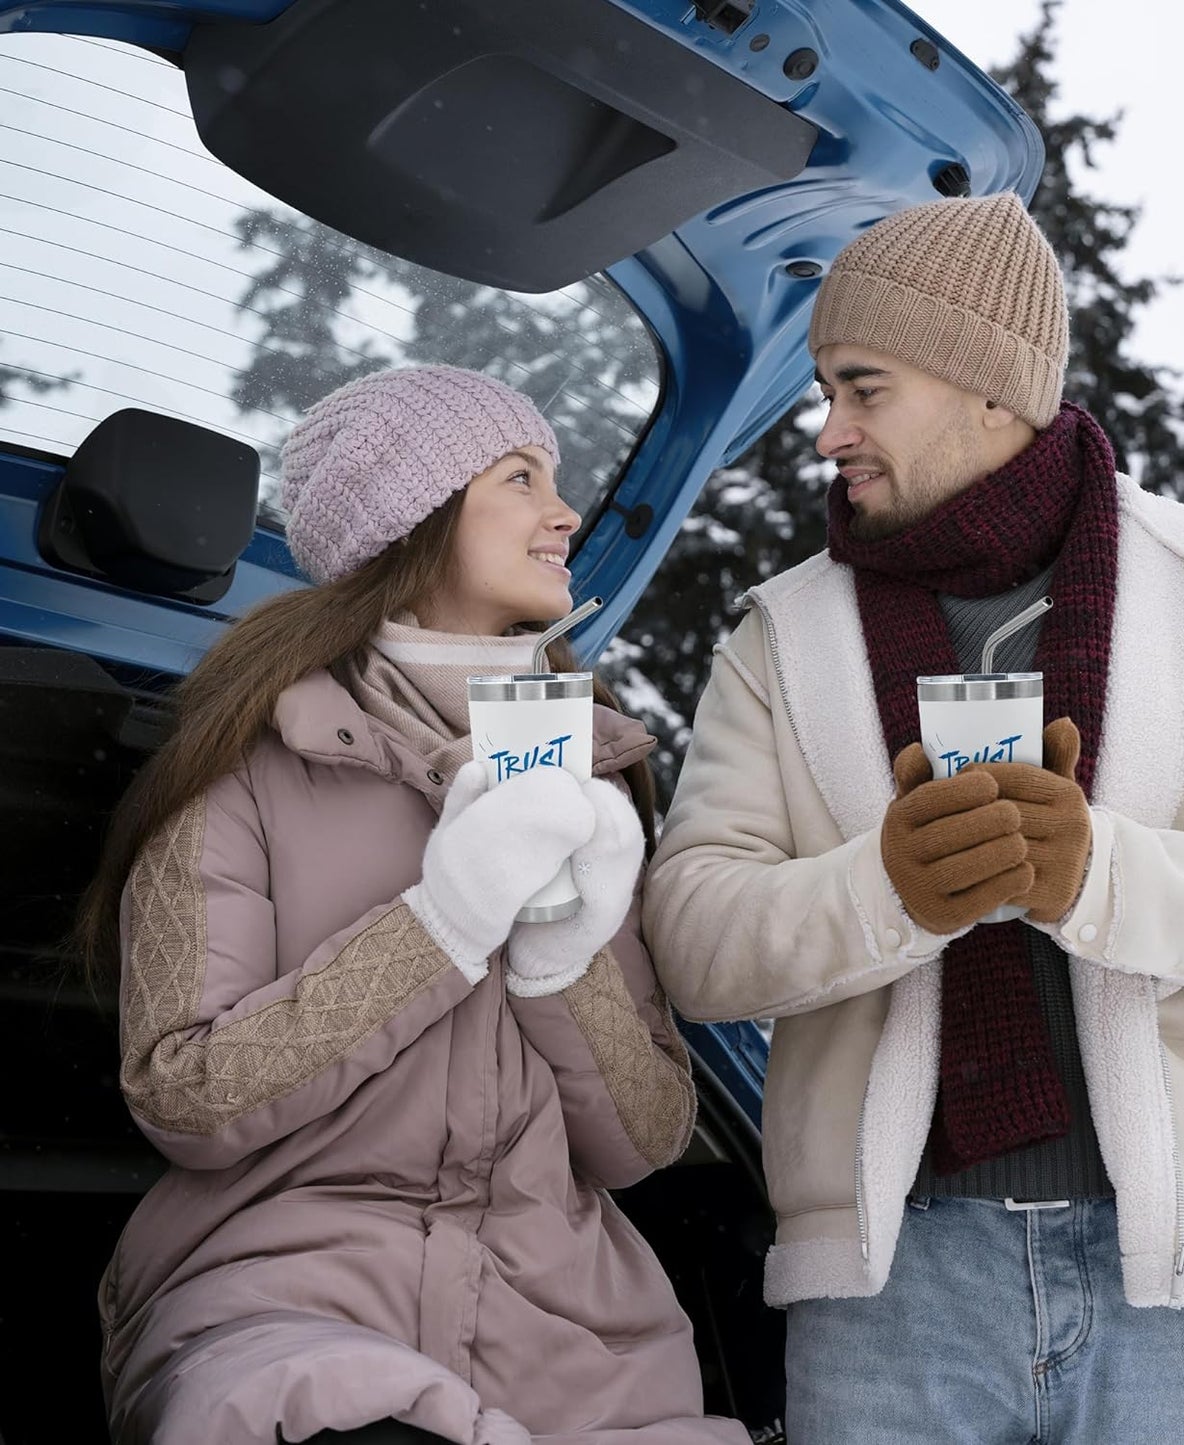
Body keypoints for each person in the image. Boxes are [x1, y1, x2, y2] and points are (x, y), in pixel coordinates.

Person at [641, 194, 1184, 1444]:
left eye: (861, 387)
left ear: (986, 387)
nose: (828, 431)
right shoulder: (783, 632)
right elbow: (693, 939)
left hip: (1178, 1290)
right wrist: (889, 889)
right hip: (888, 1290)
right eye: (826, 389)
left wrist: (1089, 867)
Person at [76, 364, 749, 1445]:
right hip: (285, 1298)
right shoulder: (245, 763)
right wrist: (440, 920)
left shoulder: (592, 772)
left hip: (575, 1335)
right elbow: (186, 1094)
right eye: (520, 477)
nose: (564, 512)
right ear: (414, 518)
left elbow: (647, 1137)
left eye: (556, 480)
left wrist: (556, 956)